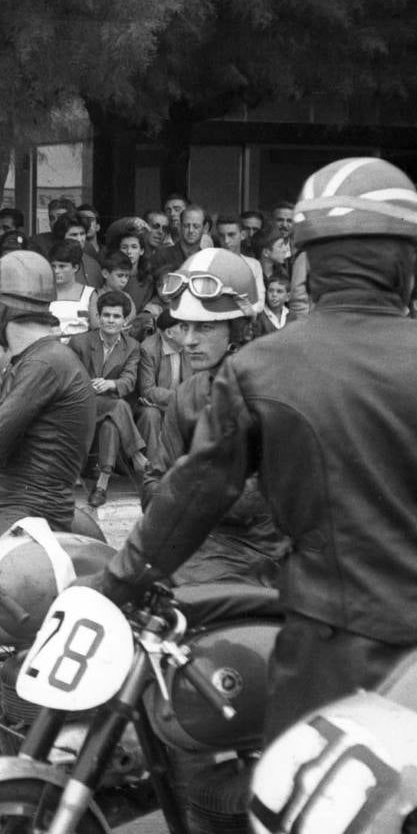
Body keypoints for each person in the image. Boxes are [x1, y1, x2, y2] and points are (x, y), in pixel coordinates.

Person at [81, 157, 417, 742]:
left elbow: (187, 498)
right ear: (413, 262)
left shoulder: (256, 370)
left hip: (318, 651)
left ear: (308, 262)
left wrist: (116, 585)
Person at [143, 248, 286, 588]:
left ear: (238, 330)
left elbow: (265, 496)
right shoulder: (185, 394)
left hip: (257, 556)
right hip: (189, 545)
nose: (189, 340)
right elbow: (151, 484)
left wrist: (184, 490)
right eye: (184, 326)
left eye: (204, 328)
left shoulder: (276, 393)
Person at [0, 251, 96, 538]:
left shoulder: (42, 364)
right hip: (11, 503)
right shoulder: (38, 359)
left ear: (0, 310)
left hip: (22, 511)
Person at [67, 290, 149, 506]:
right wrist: (89, 385)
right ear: (99, 316)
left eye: (116, 316)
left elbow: (130, 380)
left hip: (109, 408)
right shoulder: (80, 342)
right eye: (106, 315)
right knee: (119, 406)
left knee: (111, 424)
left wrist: (111, 383)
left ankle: (101, 486)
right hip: (81, 405)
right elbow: (69, 378)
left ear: (124, 321)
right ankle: (136, 455)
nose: (110, 320)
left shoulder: (132, 347)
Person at [134, 309, 189, 453]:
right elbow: (147, 390)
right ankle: (152, 469)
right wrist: (180, 399)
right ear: (169, 333)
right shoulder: (148, 349)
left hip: (182, 404)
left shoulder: (191, 345)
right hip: (154, 405)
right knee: (150, 414)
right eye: (184, 327)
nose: (189, 330)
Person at [48, 240, 95, 337]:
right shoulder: (43, 293)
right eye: (53, 266)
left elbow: (96, 330)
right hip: (49, 347)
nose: (56, 271)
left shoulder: (90, 294)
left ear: (75, 267)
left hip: (80, 349)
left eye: (62, 266)